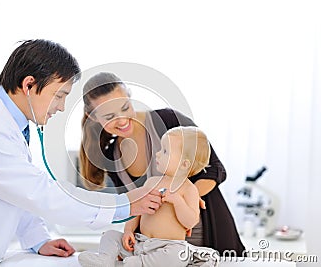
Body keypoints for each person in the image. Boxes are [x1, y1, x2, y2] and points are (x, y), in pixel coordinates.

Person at [0, 40, 163, 267]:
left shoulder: (4, 119)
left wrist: (37, 238)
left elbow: (16, 191)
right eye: (59, 95)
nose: (61, 107)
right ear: (29, 85)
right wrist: (126, 205)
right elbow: (41, 194)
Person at [79, 72, 245, 256]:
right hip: (157, 250)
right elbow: (133, 207)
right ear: (92, 117)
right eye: (110, 116)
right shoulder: (111, 157)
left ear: (130, 98)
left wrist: (185, 198)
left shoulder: (169, 121)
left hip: (208, 239)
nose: (122, 120)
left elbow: (215, 169)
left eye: (125, 107)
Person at [78, 126, 219, 267]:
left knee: (177, 255)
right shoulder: (152, 182)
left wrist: (177, 201)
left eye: (165, 151)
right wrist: (128, 231)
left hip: (167, 246)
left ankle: (137, 263)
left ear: (184, 164)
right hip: (140, 243)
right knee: (110, 235)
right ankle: (105, 259)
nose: (157, 154)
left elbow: (190, 222)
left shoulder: (189, 190)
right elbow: (136, 210)